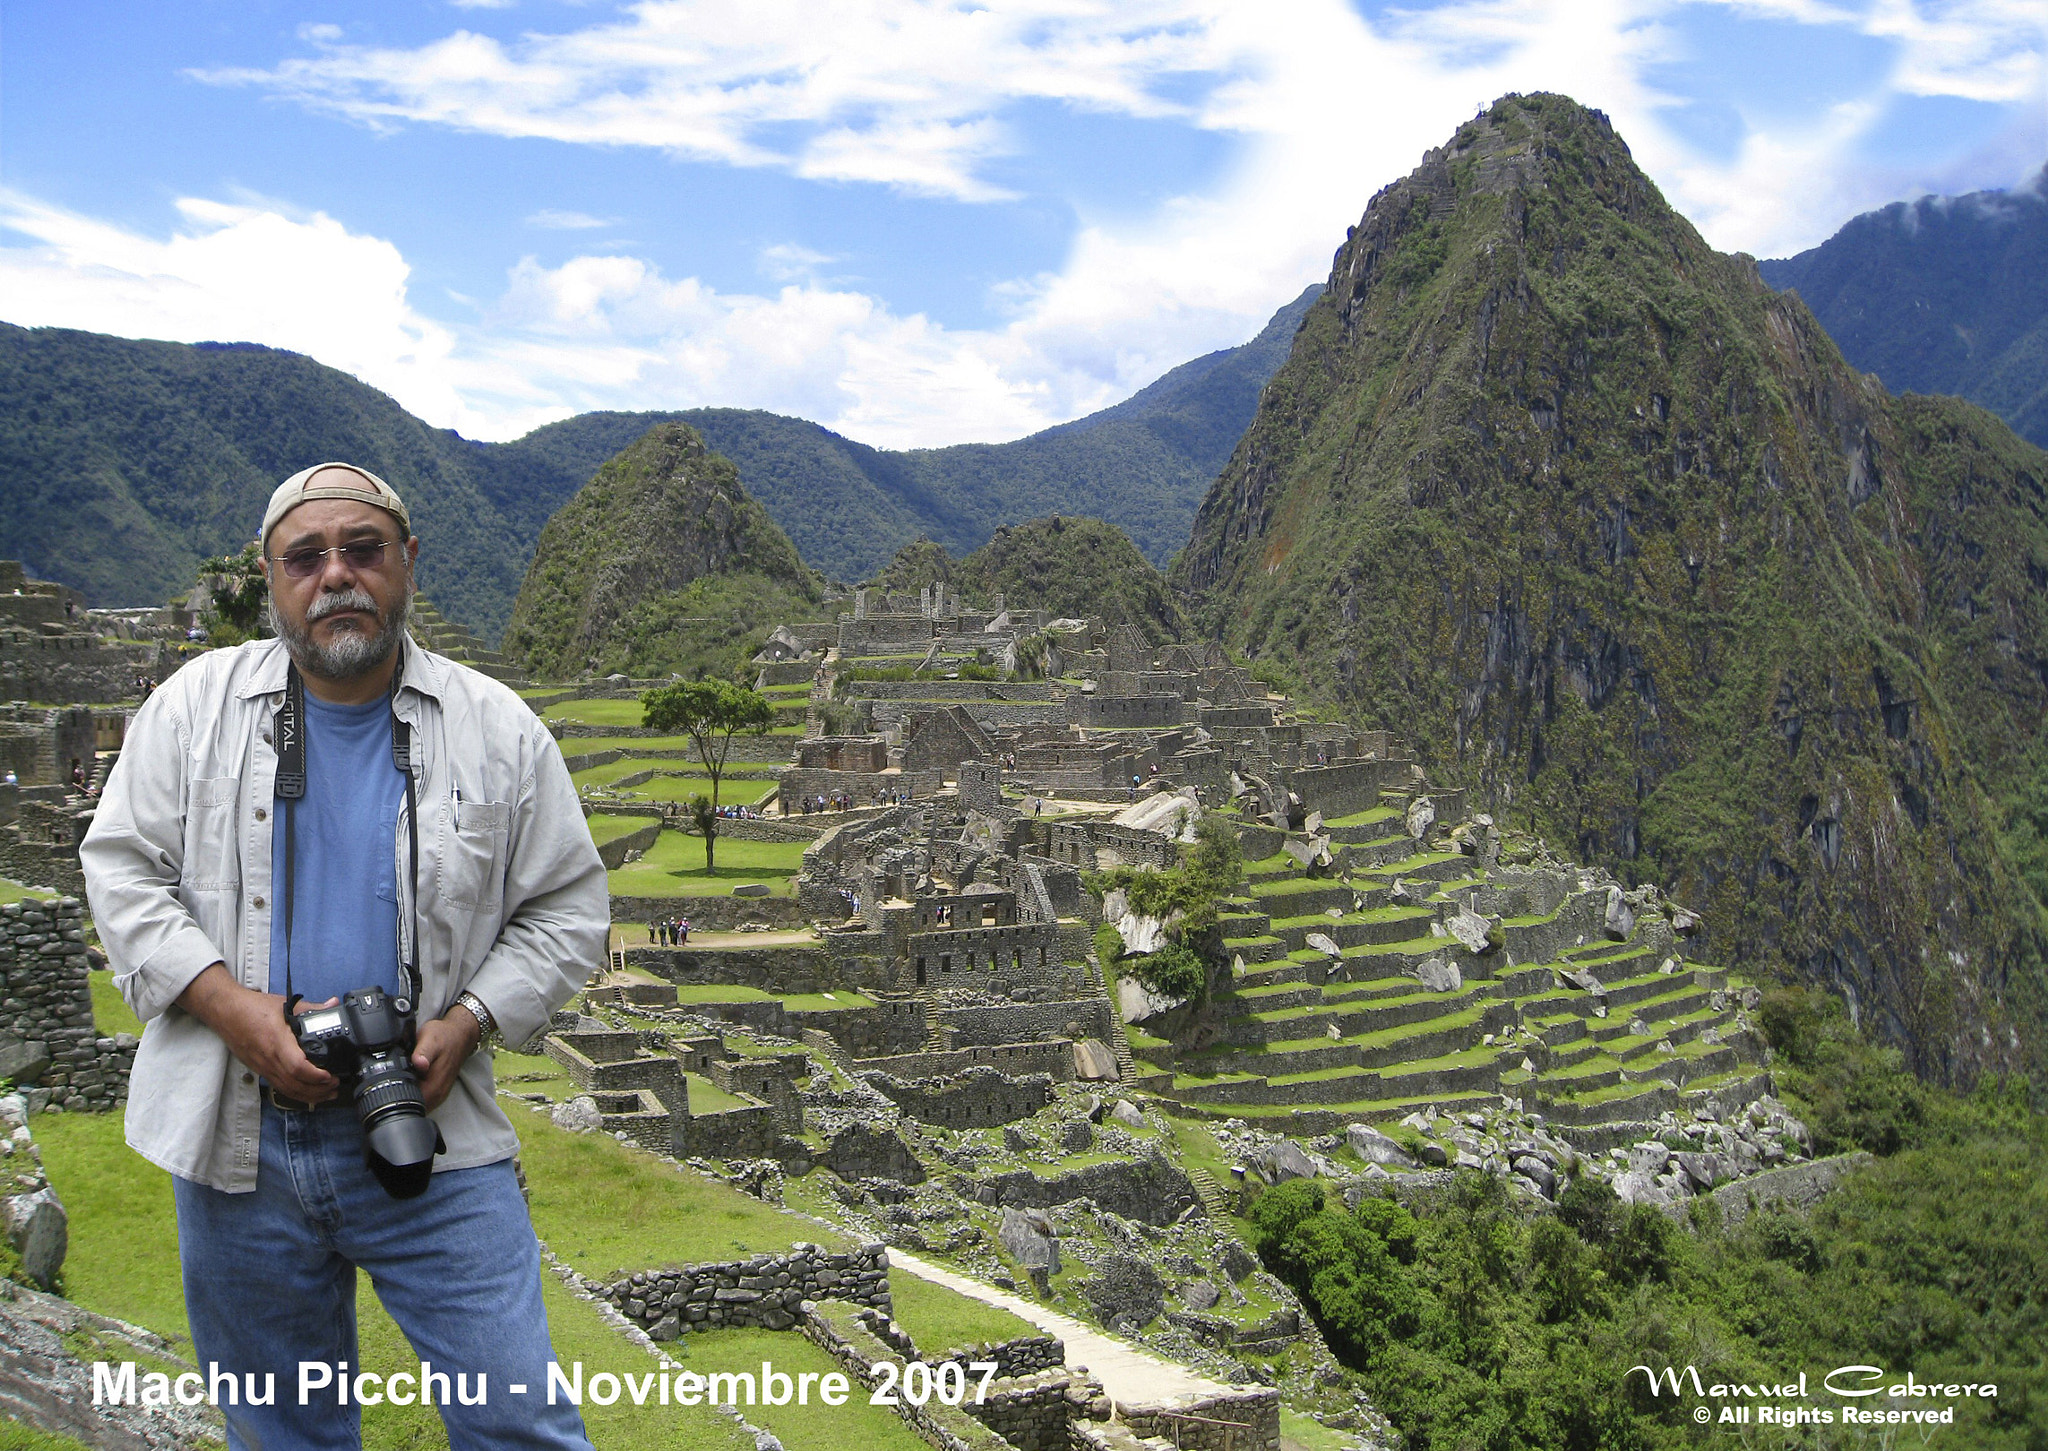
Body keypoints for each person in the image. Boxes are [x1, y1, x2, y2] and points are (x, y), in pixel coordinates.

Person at [81, 462, 604, 1451]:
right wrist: (232, 1006)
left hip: (429, 1124)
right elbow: (121, 870)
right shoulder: (193, 710)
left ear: (407, 562)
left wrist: (470, 1019)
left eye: (362, 549)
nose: (336, 576)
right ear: (271, 577)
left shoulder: (496, 728)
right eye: (305, 556)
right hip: (239, 1138)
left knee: (518, 1420)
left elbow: (568, 906)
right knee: (282, 1429)